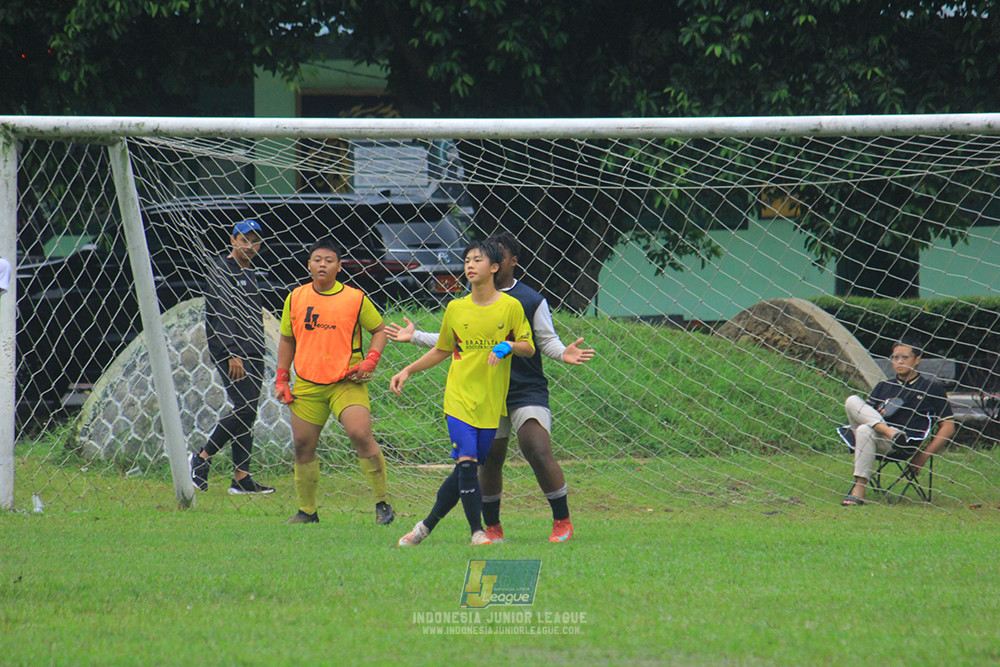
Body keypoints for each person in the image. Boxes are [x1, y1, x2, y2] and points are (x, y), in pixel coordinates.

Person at [386, 231, 593, 543]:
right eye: (470, 259)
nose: (474, 263)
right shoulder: (462, 304)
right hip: (479, 392)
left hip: (523, 388)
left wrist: (562, 352)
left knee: (535, 448)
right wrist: (414, 340)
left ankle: (561, 520)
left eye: (487, 257)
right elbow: (457, 342)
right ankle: (488, 528)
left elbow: (541, 341)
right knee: (484, 461)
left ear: (506, 263)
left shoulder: (526, 301)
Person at [391, 239, 534, 546]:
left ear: (494, 267)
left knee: (465, 471)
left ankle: (425, 527)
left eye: (477, 260)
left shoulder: (511, 307)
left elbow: (528, 347)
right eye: (467, 260)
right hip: (458, 397)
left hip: (490, 402)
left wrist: (509, 345)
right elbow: (443, 349)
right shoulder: (455, 308)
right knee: (467, 462)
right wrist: (407, 370)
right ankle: (477, 532)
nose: (470, 265)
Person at [275, 238, 395, 525]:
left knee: (360, 434)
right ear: (308, 265)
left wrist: (370, 361)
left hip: (346, 381)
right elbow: (287, 339)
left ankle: (383, 503)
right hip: (307, 383)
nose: (322, 265)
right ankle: (307, 511)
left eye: (329, 261)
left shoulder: (355, 298)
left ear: (339, 267)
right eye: (317, 260)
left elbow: (379, 330)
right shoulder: (295, 297)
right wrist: (282, 378)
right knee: (302, 444)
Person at [190, 219, 274, 494]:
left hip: (253, 349)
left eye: (255, 241)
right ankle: (202, 458)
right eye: (244, 239)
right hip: (234, 352)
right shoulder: (222, 270)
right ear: (233, 240)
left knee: (248, 412)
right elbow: (222, 313)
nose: (250, 246)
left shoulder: (250, 271)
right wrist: (231, 352)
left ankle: (241, 477)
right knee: (244, 408)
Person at [841, 336, 955, 506]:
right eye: (895, 357)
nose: (899, 362)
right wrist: (877, 416)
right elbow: (862, 414)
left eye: (905, 357)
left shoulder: (932, 388)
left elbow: (948, 427)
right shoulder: (883, 386)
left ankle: (859, 490)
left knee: (864, 429)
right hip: (876, 437)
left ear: (917, 360)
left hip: (903, 443)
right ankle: (888, 431)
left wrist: (924, 455)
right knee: (852, 402)